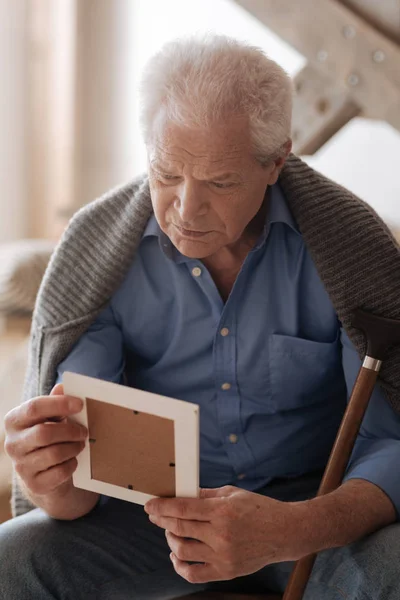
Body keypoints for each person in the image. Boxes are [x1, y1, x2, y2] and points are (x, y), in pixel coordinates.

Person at [1, 34, 400, 600]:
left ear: (276, 162)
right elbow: (77, 488)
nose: (186, 211)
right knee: (11, 561)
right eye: (166, 173)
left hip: (314, 514)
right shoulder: (98, 254)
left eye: (220, 182)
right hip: (147, 520)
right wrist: (51, 482)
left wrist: (296, 528)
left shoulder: (348, 249)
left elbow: (394, 444)